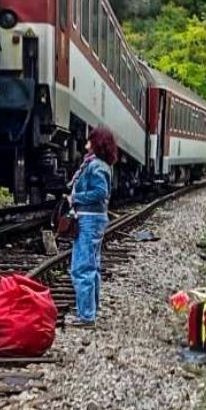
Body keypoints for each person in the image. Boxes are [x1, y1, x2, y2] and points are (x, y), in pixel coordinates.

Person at [68, 126, 118, 327]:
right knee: (93, 265)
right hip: (95, 218)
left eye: (90, 140)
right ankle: (90, 309)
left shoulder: (95, 165)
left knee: (82, 267)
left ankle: (86, 315)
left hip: (89, 219)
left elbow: (100, 192)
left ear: (97, 143)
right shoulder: (101, 164)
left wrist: (75, 198)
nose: (86, 143)